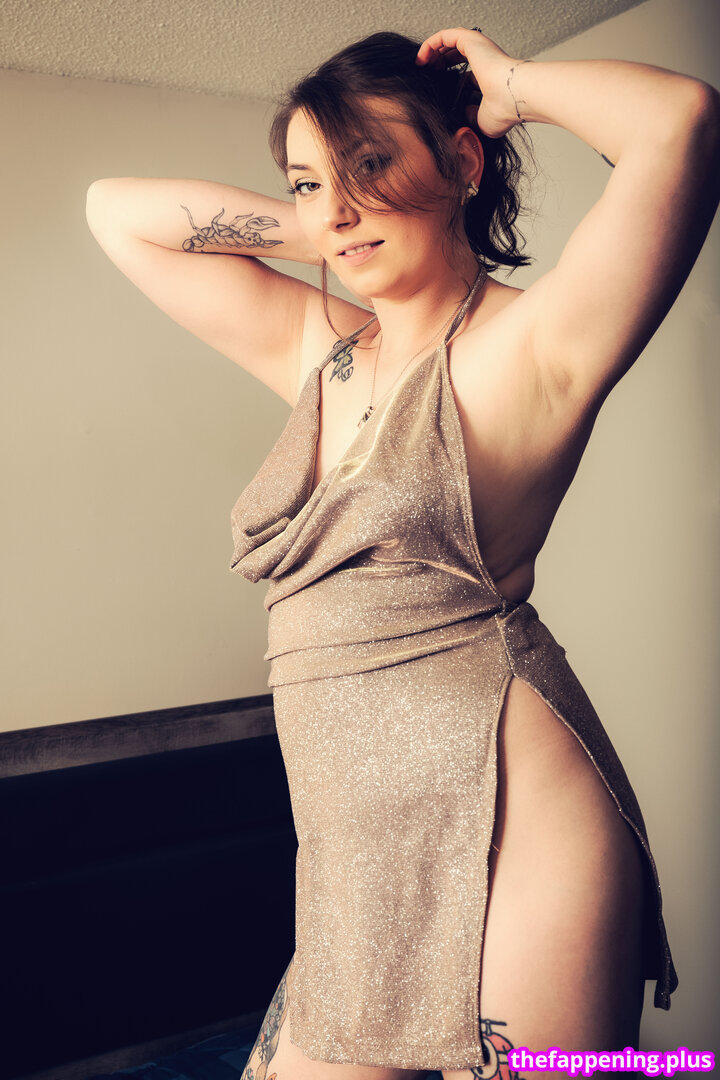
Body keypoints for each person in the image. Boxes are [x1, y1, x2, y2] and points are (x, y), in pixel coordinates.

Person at [85, 26, 720, 1080]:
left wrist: (504, 86)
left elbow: (681, 121)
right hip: (353, 856)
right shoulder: (321, 349)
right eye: (309, 182)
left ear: (464, 160)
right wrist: (336, 216)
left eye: (370, 163)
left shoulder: (534, 344)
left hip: (520, 833)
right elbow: (116, 212)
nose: (333, 208)